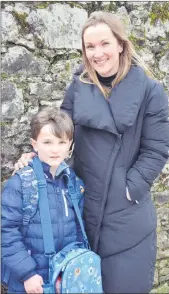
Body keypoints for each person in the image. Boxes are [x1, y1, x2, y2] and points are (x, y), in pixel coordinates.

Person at [12, 11, 169, 293]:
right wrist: (36, 156)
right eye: (90, 47)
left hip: (127, 212)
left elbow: (156, 148)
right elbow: (61, 132)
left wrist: (130, 187)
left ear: (120, 44)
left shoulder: (150, 91)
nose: (97, 53)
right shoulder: (79, 85)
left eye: (104, 43)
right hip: (83, 205)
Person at [1, 107, 85, 294]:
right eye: (47, 142)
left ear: (70, 145)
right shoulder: (20, 184)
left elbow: (80, 228)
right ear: (34, 144)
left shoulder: (73, 182)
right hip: (31, 283)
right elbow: (5, 231)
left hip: (66, 278)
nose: (55, 150)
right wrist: (27, 274)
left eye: (61, 142)